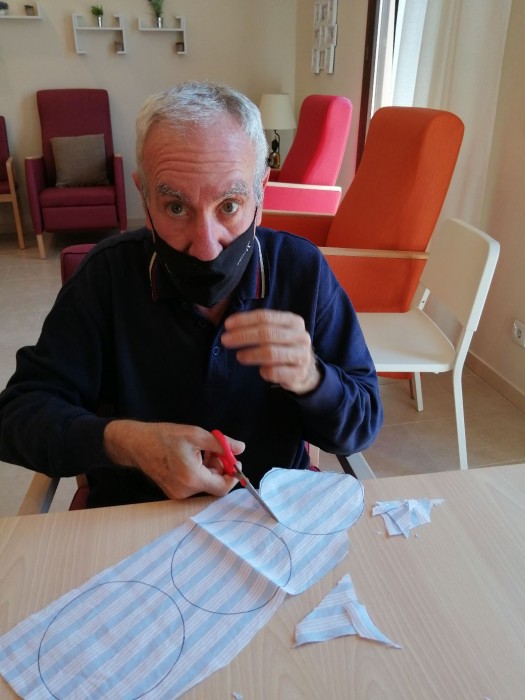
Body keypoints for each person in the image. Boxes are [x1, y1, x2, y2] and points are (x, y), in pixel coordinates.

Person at [0, 82, 383, 508]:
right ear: (144, 198)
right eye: (176, 207)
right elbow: (16, 416)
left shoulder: (302, 272)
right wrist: (128, 443)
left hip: (269, 516)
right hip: (133, 519)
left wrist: (314, 379)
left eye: (229, 205)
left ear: (261, 193)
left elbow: (361, 425)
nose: (206, 247)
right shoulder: (106, 276)